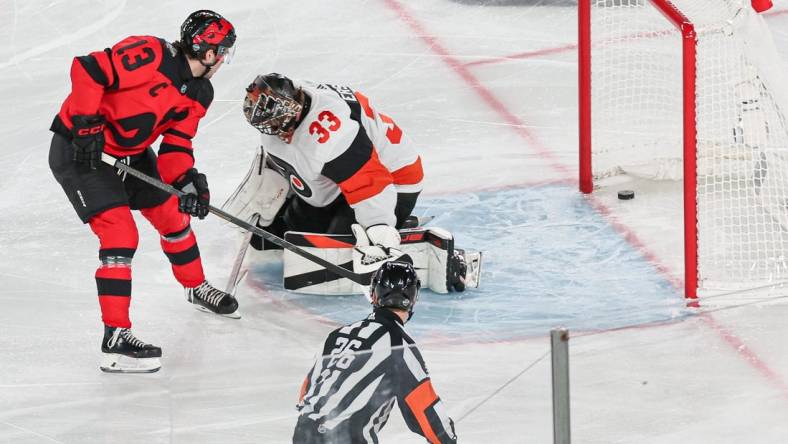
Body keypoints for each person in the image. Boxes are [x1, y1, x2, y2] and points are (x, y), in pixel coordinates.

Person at [48, 10, 239, 373]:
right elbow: (88, 69)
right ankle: (116, 337)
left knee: (172, 213)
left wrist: (184, 181)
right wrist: (87, 123)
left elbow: (177, 144)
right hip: (81, 150)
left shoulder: (201, 91)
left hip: (130, 153)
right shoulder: (151, 53)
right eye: (223, 52)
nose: (223, 60)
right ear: (210, 51)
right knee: (120, 235)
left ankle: (196, 286)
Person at [239, 73, 424, 270]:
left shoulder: (334, 135)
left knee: (330, 255)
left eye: (273, 123)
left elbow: (370, 182)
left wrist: (379, 232)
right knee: (276, 237)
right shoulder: (294, 96)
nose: (271, 129)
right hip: (339, 182)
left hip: (392, 180)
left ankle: (390, 226)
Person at [293, 261, 458, 443]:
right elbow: (425, 410)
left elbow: (307, 390)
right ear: (412, 299)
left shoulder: (336, 336)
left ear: (374, 295)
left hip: (303, 433)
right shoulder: (400, 346)